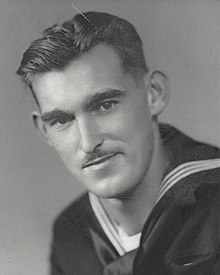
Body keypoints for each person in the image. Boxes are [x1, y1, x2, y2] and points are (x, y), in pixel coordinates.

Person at [17, 11, 220, 275]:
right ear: (44, 131)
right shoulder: (72, 236)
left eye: (105, 105)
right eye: (61, 120)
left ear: (153, 94)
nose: (89, 143)